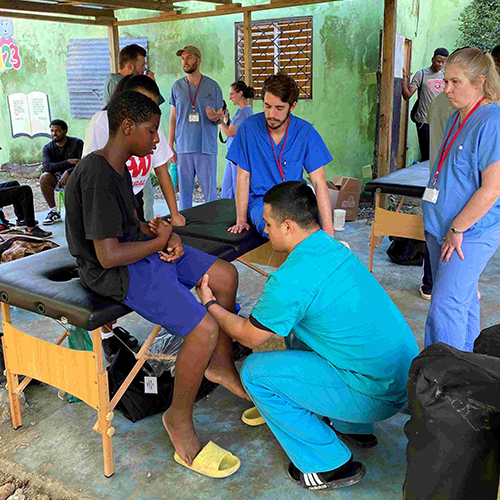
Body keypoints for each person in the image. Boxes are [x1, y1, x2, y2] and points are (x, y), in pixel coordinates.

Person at [65, 90, 247, 478]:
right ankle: (178, 419)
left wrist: (160, 230)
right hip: (115, 273)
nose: (156, 140)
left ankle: (218, 366)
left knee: (225, 275)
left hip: (138, 254)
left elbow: (127, 228)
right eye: (151, 131)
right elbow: (107, 255)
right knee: (204, 328)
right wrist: (160, 241)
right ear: (127, 127)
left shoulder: (119, 167)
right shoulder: (96, 174)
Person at [196, 181, 418, 491]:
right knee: (300, 331)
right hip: (401, 378)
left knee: (256, 373)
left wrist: (210, 304)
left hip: (376, 395)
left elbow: (248, 336)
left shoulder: (291, 280)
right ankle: (352, 426)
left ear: (287, 226)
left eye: (269, 224)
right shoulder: (330, 246)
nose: (266, 231)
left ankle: (326, 465)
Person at [422, 47, 500, 352]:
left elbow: (492, 189)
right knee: (462, 301)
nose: (447, 88)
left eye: (456, 82)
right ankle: (468, 368)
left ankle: (441, 382)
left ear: (479, 82)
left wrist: (457, 229)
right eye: (445, 80)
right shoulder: (458, 117)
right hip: (441, 226)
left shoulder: (492, 121)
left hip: (468, 232)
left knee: (444, 307)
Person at [226, 72, 334, 237]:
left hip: (296, 201)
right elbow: (243, 177)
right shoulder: (248, 129)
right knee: (283, 230)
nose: (271, 115)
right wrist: (241, 220)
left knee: (314, 231)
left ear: (292, 106)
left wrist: (329, 232)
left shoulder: (305, 132)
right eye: (267, 106)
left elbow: (319, 183)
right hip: (262, 202)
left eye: (279, 108)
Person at [83, 75, 184, 227]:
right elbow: (90, 173)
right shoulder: (101, 122)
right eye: (142, 102)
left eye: (152, 105)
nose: (147, 110)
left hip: (134, 199)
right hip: (107, 200)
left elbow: (162, 170)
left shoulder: (151, 127)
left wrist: (175, 215)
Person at [169, 46, 223, 210]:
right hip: (183, 146)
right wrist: (170, 145)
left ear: (199, 60)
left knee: (210, 194)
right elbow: (173, 117)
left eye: (189, 58)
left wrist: (217, 118)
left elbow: (221, 116)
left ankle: (212, 225)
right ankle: (185, 226)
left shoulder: (213, 86)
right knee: (184, 193)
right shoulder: (177, 87)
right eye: (182, 59)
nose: (185, 62)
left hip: (205, 147)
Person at [402, 47, 449, 162]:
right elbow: (407, 95)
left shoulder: (445, 76)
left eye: (443, 62)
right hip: (424, 122)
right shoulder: (421, 74)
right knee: (426, 156)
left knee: (439, 156)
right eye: (438, 61)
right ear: (432, 59)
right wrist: (403, 80)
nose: (440, 64)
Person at [40, 119, 83, 225]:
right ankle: (53, 211)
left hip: (76, 177)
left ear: (65, 131)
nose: (54, 134)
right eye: (52, 131)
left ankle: (78, 213)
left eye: (57, 131)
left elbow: (83, 164)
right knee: (44, 177)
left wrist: (68, 172)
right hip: (57, 178)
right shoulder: (48, 148)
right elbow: (47, 167)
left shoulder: (77, 143)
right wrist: (68, 162)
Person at [219, 81, 254, 199]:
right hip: (233, 156)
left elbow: (229, 132)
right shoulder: (242, 111)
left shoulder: (244, 113)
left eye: (232, 94)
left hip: (238, 157)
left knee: (236, 188)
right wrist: (225, 119)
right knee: (228, 189)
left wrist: (218, 121)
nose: (230, 98)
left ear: (240, 93)